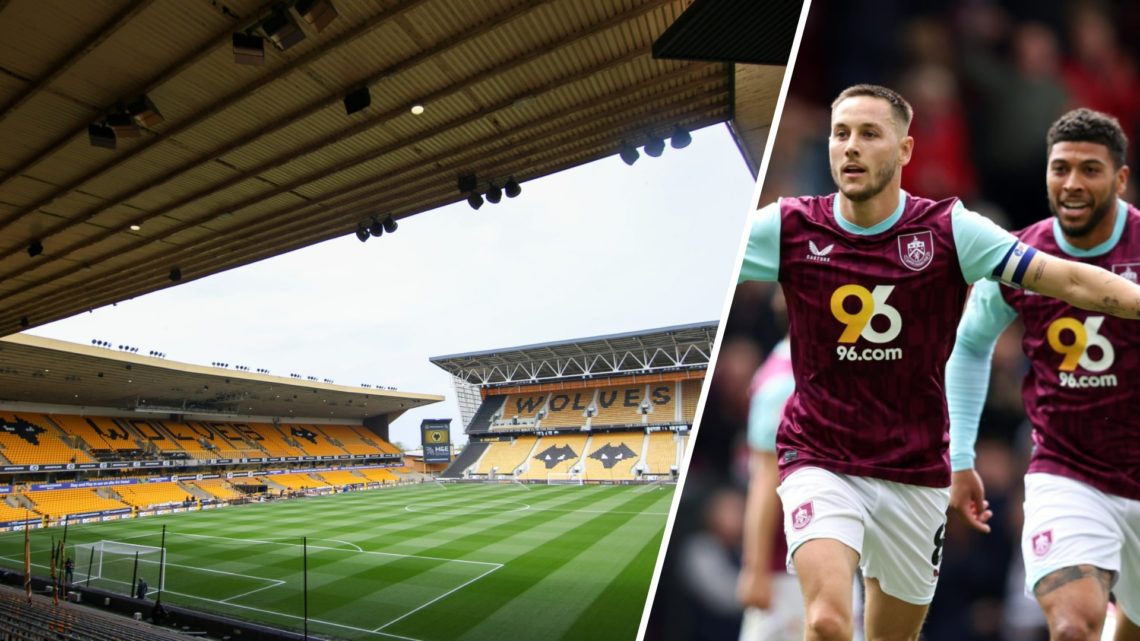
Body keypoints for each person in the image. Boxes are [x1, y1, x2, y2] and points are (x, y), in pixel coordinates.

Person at [738, 84, 1140, 641]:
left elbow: (1067, 278)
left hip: (914, 473)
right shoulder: (787, 226)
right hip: (819, 456)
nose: (850, 147)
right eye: (841, 134)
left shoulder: (952, 230)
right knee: (828, 621)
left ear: (905, 150)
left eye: (869, 134)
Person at [947, 108, 1140, 641]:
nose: (1072, 184)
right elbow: (968, 348)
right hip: (1067, 471)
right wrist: (960, 456)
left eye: (1090, 170)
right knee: (1074, 625)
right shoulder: (1016, 258)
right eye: (1060, 168)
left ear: (1120, 179)